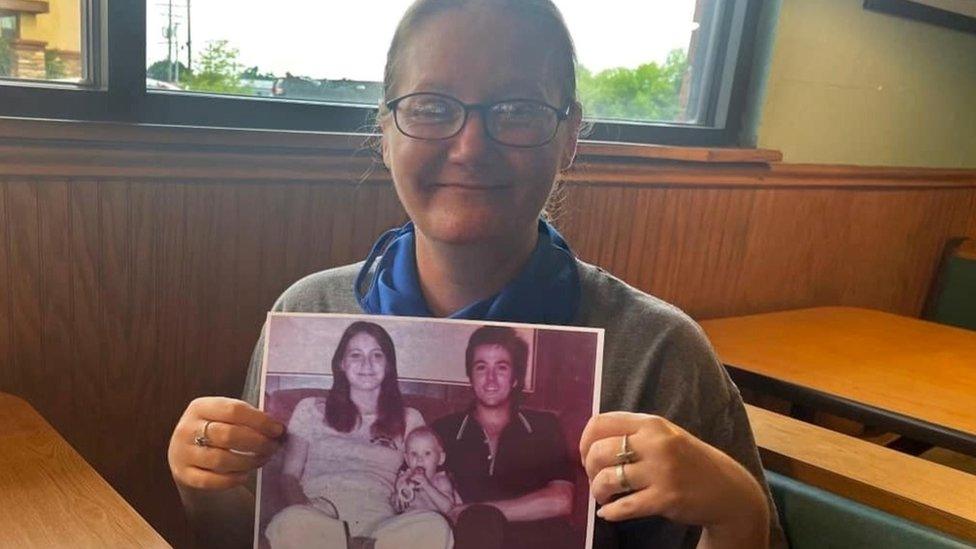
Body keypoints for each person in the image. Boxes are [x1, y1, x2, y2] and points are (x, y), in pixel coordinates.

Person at [167, 0, 786, 547]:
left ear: (569, 136)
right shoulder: (309, 312)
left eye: (516, 110)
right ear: (384, 132)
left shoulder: (655, 351)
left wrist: (737, 516)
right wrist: (206, 489)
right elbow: (250, 535)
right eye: (432, 108)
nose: (469, 146)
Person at [263, 321, 452, 548]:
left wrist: (410, 488)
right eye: (355, 355)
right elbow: (289, 475)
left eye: (377, 355)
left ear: (388, 364)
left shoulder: (409, 418)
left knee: (435, 527)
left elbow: (424, 471)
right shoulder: (309, 409)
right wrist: (303, 507)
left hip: (383, 528)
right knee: (287, 524)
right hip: (319, 520)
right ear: (341, 363)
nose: (367, 364)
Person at [432, 325, 576, 549]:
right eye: (481, 368)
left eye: (501, 368)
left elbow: (561, 500)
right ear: (470, 376)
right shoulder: (443, 430)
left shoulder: (544, 426)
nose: (490, 379)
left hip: (536, 540)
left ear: (515, 378)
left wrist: (475, 511)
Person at [392, 426, 460, 515]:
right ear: (407, 459)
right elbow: (396, 507)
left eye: (427, 453)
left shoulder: (441, 481)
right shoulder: (404, 479)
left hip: (435, 523)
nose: (419, 459)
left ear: (441, 458)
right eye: (414, 454)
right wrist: (398, 499)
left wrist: (426, 485)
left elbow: (448, 508)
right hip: (412, 522)